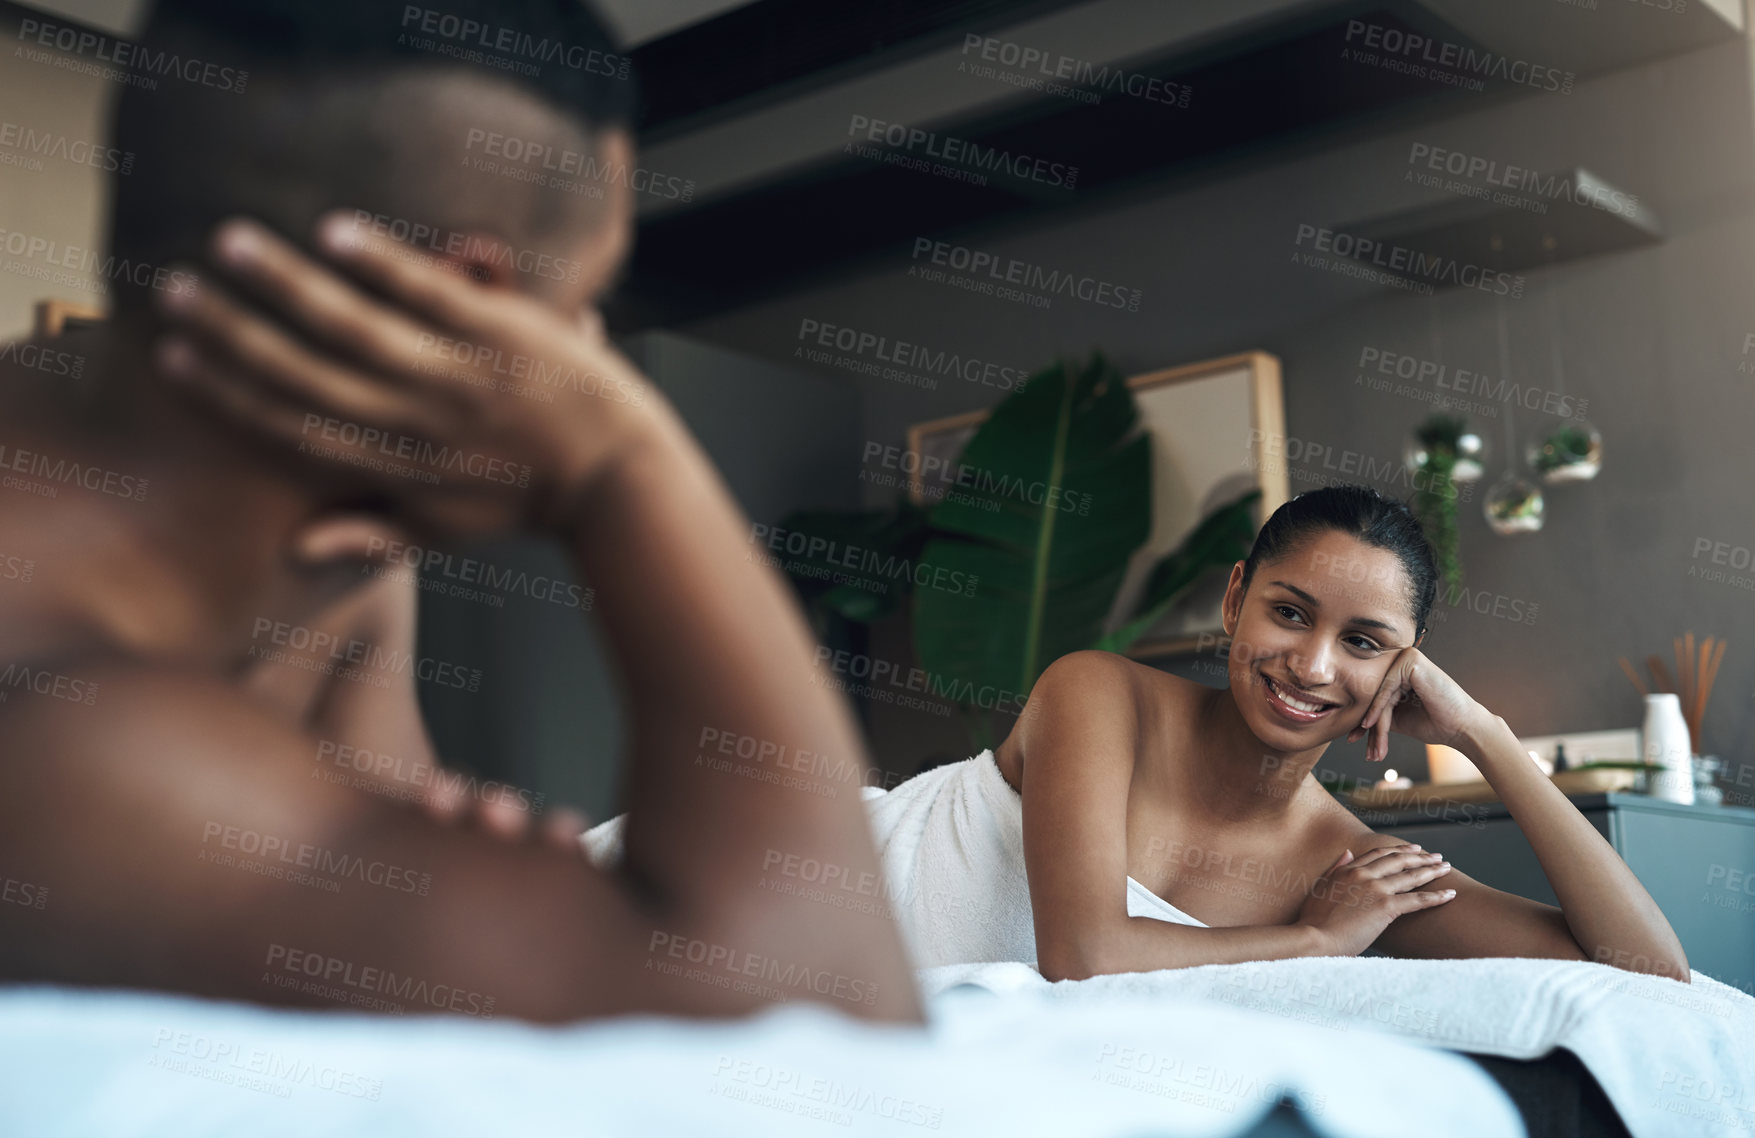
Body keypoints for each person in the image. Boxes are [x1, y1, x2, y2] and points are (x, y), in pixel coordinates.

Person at [0, 0, 920, 1024]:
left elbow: (392, 855)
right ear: (466, 295)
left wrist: (431, 873)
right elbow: (824, 1020)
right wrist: (625, 459)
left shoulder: (347, 561)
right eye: (582, 305)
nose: (590, 352)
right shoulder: (65, 726)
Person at [868, 485, 1690, 981]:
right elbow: (1084, 957)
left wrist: (1482, 733)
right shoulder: (1098, 694)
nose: (1311, 666)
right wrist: (1314, 938)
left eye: (1362, 643)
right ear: (1234, 601)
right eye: (1289, 614)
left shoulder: (1356, 871)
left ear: (1405, 667)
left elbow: (1647, 969)